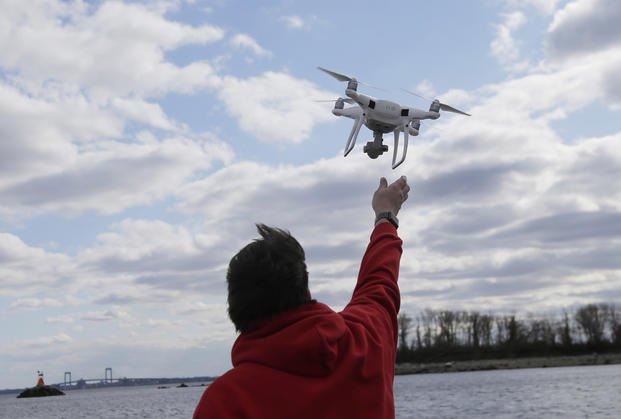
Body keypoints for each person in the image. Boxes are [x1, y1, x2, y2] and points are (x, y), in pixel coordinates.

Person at [193, 176, 410, 419]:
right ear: (304, 291)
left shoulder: (225, 401)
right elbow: (379, 282)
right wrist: (386, 216)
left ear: (235, 310)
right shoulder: (366, 343)